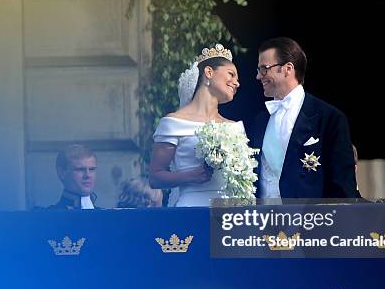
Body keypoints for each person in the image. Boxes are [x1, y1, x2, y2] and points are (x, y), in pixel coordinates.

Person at [249, 37, 360, 199]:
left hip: (311, 220)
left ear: (288, 69)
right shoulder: (259, 121)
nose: (259, 76)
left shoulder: (329, 118)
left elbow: (342, 184)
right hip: (263, 220)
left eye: (264, 69)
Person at [149, 43, 244, 207]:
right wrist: (191, 176)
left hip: (229, 213)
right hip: (192, 207)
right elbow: (155, 177)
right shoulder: (173, 123)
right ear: (209, 72)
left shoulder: (235, 127)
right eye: (231, 74)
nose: (237, 83)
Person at [52, 144, 99, 209]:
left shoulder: (108, 217)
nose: (88, 175)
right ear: (62, 173)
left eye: (91, 169)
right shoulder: (47, 216)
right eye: (80, 169)